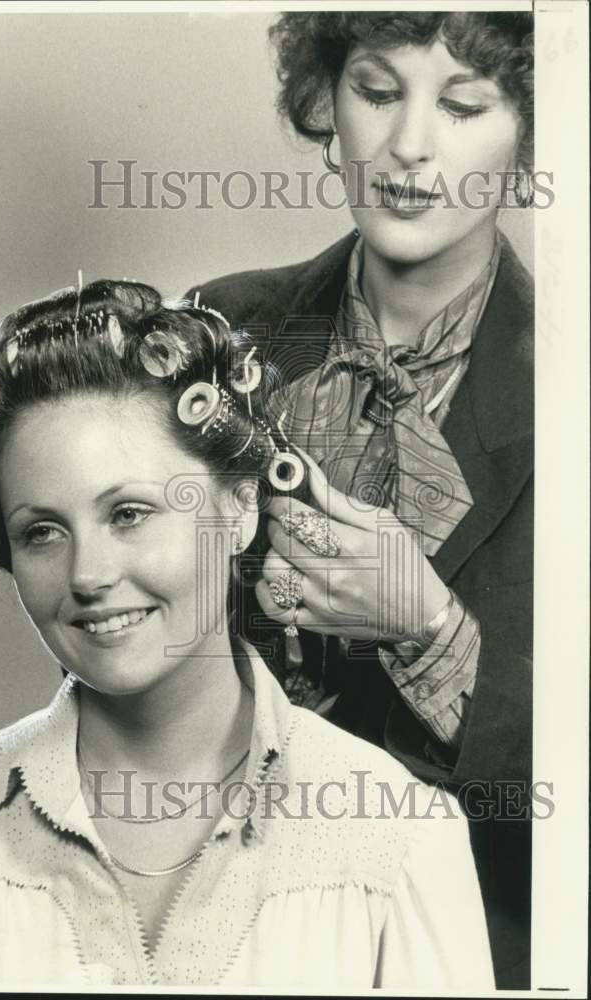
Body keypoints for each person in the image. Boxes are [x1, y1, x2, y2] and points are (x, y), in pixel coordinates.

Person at [0, 280, 494, 988]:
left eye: (130, 514)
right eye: (42, 532)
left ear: (238, 506)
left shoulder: (396, 834)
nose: (89, 574)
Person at [188, 11, 534, 990]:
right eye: (376, 92)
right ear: (324, 104)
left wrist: (430, 629)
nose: (407, 146)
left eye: (463, 104)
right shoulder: (217, 329)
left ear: (529, 129)